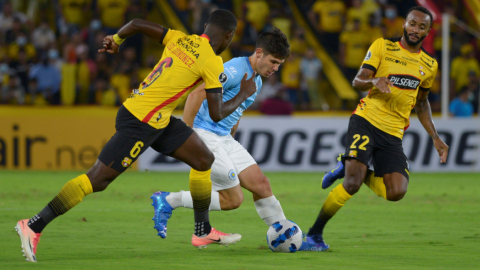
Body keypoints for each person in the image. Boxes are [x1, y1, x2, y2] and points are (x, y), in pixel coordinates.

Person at [15, 10, 258, 262]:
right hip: (140, 122)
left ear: (206, 26)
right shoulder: (212, 61)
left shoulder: (179, 38)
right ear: (229, 36)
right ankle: (33, 225)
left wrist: (116, 40)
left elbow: (137, 24)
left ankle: (202, 231)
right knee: (97, 180)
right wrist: (243, 93)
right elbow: (217, 114)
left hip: (156, 118)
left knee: (203, 159)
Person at [303, 6, 449, 251]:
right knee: (352, 184)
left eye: (422, 27)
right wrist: (373, 80)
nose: (416, 30)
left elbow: (421, 103)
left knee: (396, 192)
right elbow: (357, 80)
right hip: (366, 120)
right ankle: (314, 235)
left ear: (428, 31)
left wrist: (435, 136)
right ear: (404, 23)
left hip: (393, 133)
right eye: (412, 23)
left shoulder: (429, 65)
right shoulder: (383, 46)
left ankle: (345, 164)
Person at [151, 27, 294, 245]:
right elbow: (197, 93)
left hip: (224, 138)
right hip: (205, 134)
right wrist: (189, 135)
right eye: (273, 61)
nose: (275, 68)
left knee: (261, 184)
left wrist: (231, 136)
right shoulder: (236, 69)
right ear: (258, 53)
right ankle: (169, 200)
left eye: (279, 64)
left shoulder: (256, 80)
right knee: (233, 200)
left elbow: (237, 111)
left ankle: (285, 234)